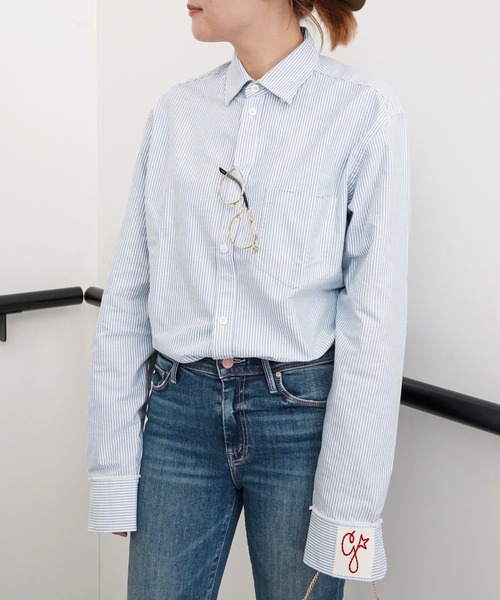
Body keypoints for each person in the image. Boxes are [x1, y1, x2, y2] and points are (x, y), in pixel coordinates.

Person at [87, 0, 410, 598]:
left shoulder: (364, 113)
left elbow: (374, 321)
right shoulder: (176, 113)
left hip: (301, 423)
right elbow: (132, 289)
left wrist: (350, 514)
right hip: (177, 412)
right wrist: (114, 471)